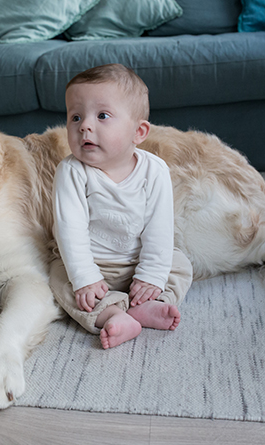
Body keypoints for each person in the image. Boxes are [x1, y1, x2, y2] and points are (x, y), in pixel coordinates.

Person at [50, 64, 193, 349]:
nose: (84, 126)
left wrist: (151, 275)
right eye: (75, 117)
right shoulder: (72, 172)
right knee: (57, 276)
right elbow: (70, 230)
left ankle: (151, 303)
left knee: (179, 264)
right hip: (91, 262)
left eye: (102, 116)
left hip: (136, 260)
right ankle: (111, 313)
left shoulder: (155, 170)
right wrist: (86, 279)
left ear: (138, 132)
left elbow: (159, 227)